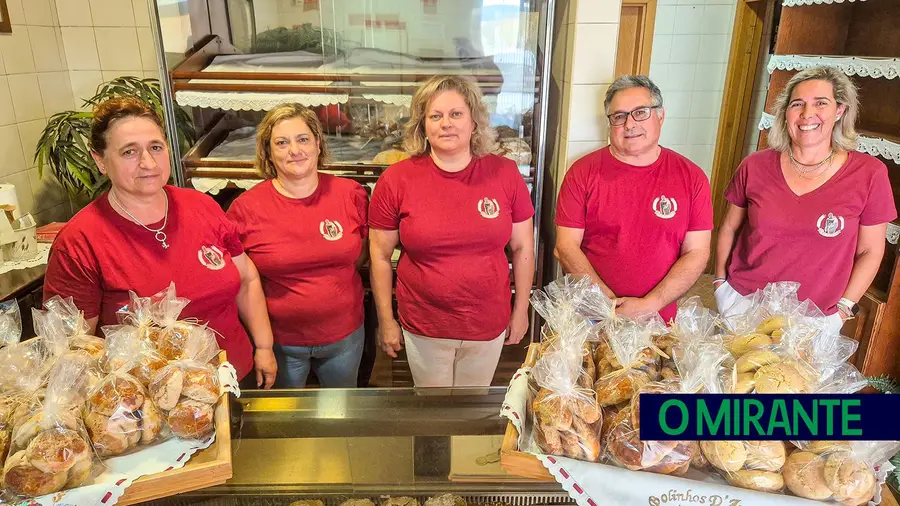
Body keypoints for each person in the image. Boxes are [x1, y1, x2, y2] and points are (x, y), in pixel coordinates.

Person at [44, 96, 277, 388]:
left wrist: (264, 347)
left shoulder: (202, 207)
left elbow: (246, 279)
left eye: (156, 147)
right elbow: (75, 352)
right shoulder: (80, 242)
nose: (148, 162)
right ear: (100, 161)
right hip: (151, 406)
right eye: (129, 152)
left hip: (233, 376)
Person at [368, 75, 535, 387]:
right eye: (436, 116)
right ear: (423, 126)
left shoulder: (504, 174)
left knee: (473, 409)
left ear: (474, 121)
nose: (446, 123)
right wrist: (386, 320)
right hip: (425, 325)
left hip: (487, 322)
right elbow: (378, 255)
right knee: (434, 414)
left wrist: (521, 309)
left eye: (456, 114)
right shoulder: (396, 180)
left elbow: (523, 247)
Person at [715, 66, 897, 331]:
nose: (807, 114)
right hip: (743, 304)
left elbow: (870, 251)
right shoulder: (755, 165)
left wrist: (844, 309)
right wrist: (721, 285)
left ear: (840, 111)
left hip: (816, 319)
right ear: (785, 113)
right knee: (732, 373)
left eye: (820, 103)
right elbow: (729, 228)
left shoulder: (869, 174)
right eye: (797, 104)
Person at [227, 103, 368, 388]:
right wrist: (263, 346)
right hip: (281, 342)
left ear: (317, 143)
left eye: (303, 139)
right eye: (282, 143)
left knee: (341, 415)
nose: (295, 150)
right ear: (268, 152)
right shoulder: (245, 209)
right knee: (285, 418)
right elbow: (242, 280)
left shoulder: (349, 194)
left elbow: (360, 254)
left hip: (345, 336)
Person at [554, 75, 713, 324]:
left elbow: (697, 252)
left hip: (659, 321)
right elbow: (566, 246)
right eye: (619, 116)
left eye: (640, 113)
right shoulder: (582, 172)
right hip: (591, 317)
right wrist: (606, 303)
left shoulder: (692, 177)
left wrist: (652, 303)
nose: (629, 124)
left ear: (660, 116)